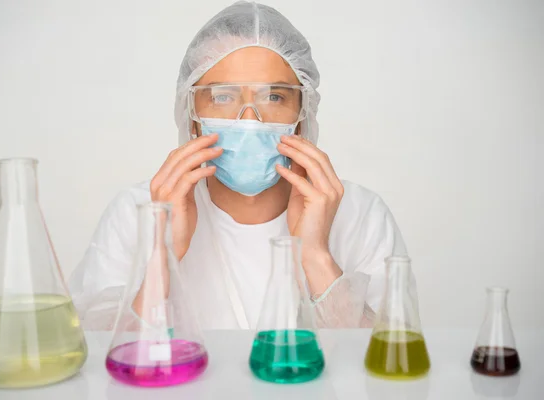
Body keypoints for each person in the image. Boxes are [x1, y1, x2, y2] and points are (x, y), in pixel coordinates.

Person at [68, 1, 407, 330]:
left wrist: (317, 255)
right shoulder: (138, 211)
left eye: (274, 97)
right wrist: (164, 257)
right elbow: (103, 364)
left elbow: (387, 365)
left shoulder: (361, 213)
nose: (249, 120)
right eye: (222, 97)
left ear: (303, 114)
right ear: (192, 115)